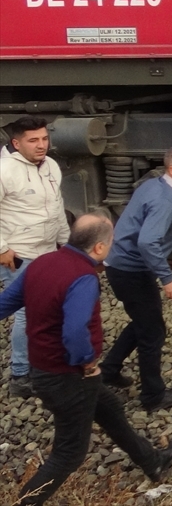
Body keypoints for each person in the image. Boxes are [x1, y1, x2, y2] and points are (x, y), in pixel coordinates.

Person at [0, 212, 172, 505]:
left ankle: (154, 462)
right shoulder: (83, 278)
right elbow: (74, 331)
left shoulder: (44, 262)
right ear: (98, 248)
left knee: (110, 409)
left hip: (43, 368)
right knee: (69, 453)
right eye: (110, 242)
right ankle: (26, 502)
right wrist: (86, 361)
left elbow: (6, 302)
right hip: (68, 376)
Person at [100, 144, 172, 410]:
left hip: (122, 265)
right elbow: (148, 243)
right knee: (153, 332)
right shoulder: (165, 200)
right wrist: (167, 278)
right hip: (131, 270)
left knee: (143, 322)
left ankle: (108, 372)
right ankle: (153, 397)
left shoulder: (154, 185)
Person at [0, 116, 70, 398]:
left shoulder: (50, 166)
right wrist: (2, 249)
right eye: (33, 140)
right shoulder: (4, 171)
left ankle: (46, 363)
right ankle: (20, 376)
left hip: (47, 252)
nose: (42, 145)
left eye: (44, 138)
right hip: (19, 254)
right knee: (27, 314)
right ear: (17, 143)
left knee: (51, 309)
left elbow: (57, 207)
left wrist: (66, 243)